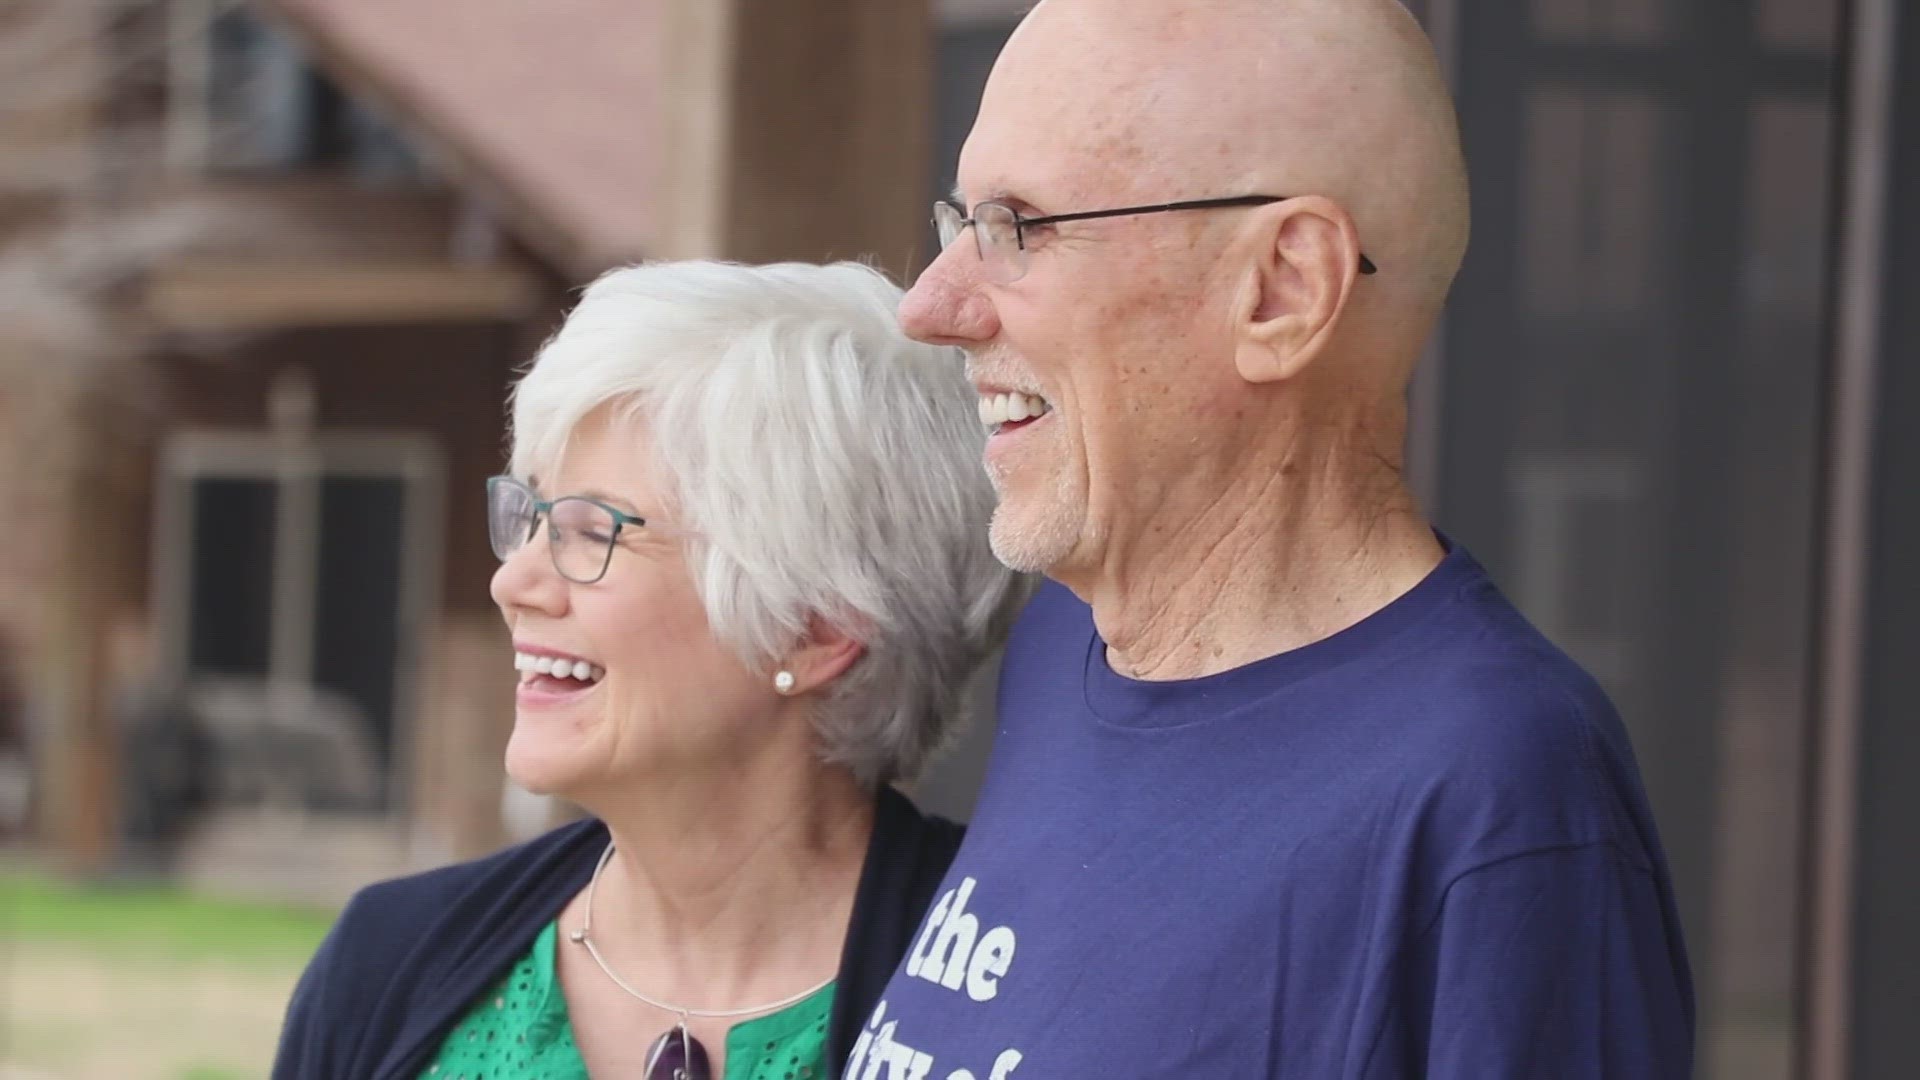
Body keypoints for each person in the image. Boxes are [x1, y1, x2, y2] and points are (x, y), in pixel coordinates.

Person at [855, 1, 1694, 1078]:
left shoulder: (1498, 797)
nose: (930, 305)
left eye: (1020, 226)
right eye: (961, 221)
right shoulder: (1070, 647)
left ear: (1283, 290)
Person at [274, 260, 1025, 1080]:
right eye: (532, 515)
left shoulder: (1016, 990)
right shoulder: (388, 963)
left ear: (816, 624)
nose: (513, 582)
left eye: (593, 530)